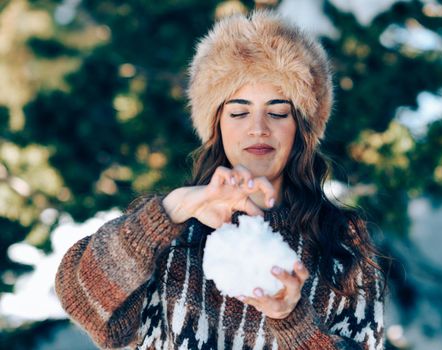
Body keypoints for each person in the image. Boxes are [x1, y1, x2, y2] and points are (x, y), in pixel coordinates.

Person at [55, 10, 385, 350]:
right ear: (216, 126)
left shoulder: (343, 242)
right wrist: (170, 211)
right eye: (239, 111)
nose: (258, 127)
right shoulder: (167, 226)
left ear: (301, 127)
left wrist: (292, 321)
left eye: (277, 112)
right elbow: (83, 302)